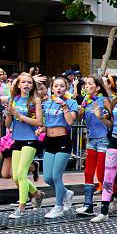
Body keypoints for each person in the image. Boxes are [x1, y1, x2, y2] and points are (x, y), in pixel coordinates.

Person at [91, 73, 117, 223]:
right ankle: (104, 211)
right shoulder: (116, 100)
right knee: (108, 175)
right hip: (115, 140)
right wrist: (101, 118)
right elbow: (112, 124)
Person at [6, 73, 45, 218]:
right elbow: (7, 124)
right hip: (17, 139)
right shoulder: (13, 100)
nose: (26, 85)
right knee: (15, 176)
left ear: (32, 85)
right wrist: (9, 114)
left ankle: (21, 207)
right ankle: (37, 193)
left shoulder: (35, 100)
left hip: (31, 139)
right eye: (24, 82)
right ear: (18, 85)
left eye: (29, 82)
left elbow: (39, 122)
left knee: (22, 174)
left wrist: (20, 115)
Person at [41, 77, 79, 219]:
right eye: (56, 86)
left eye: (62, 86)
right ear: (52, 87)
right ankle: (66, 192)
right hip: (49, 140)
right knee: (47, 178)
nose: (58, 88)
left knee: (57, 176)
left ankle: (58, 207)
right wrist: (42, 129)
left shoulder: (71, 102)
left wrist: (64, 106)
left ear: (66, 88)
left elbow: (70, 121)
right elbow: (48, 121)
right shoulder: (48, 102)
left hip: (63, 140)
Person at [76, 75, 113, 216]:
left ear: (97, 87)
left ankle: (116, 194)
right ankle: (88, 205)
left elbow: (112, 123)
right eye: (85, 84)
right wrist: (79, 113)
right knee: (88, 171)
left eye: (89, 83)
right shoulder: (86, 100)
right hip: (91, 139)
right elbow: (80, 119)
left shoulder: (104, 101)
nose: (86, 86)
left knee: (102, 174)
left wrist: (101, 118)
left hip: (103, 139)